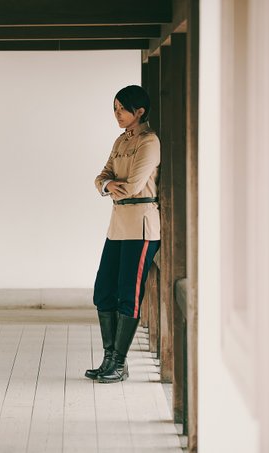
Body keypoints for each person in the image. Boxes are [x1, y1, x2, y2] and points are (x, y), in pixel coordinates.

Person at [85, 85, 161, 384]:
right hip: (118, 226)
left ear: (139, 111)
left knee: (129, 294)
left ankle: (118, 362)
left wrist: (111, 186)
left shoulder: (149, 141)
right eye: (115, 109)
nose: (117, 114)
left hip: (141, 226)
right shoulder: (121, 140)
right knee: (103, 291)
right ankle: (108, 359)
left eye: (122, 109)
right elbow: (101, 176)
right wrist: (107, 185)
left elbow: (133, 185)